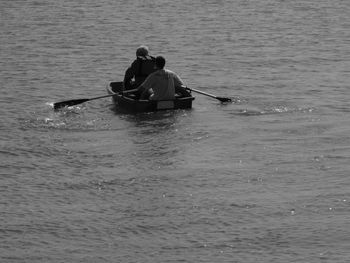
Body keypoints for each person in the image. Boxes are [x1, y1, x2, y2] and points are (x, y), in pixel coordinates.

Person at [124, 56, 191, 100]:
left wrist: (132, 90)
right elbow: (181, 84)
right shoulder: (171, 73)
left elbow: (140, 89)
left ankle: (140, 105)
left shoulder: (153, 76)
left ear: (155, 64)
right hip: (171, 98)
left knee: (145, 92)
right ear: (164, 64)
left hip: (156, 99)